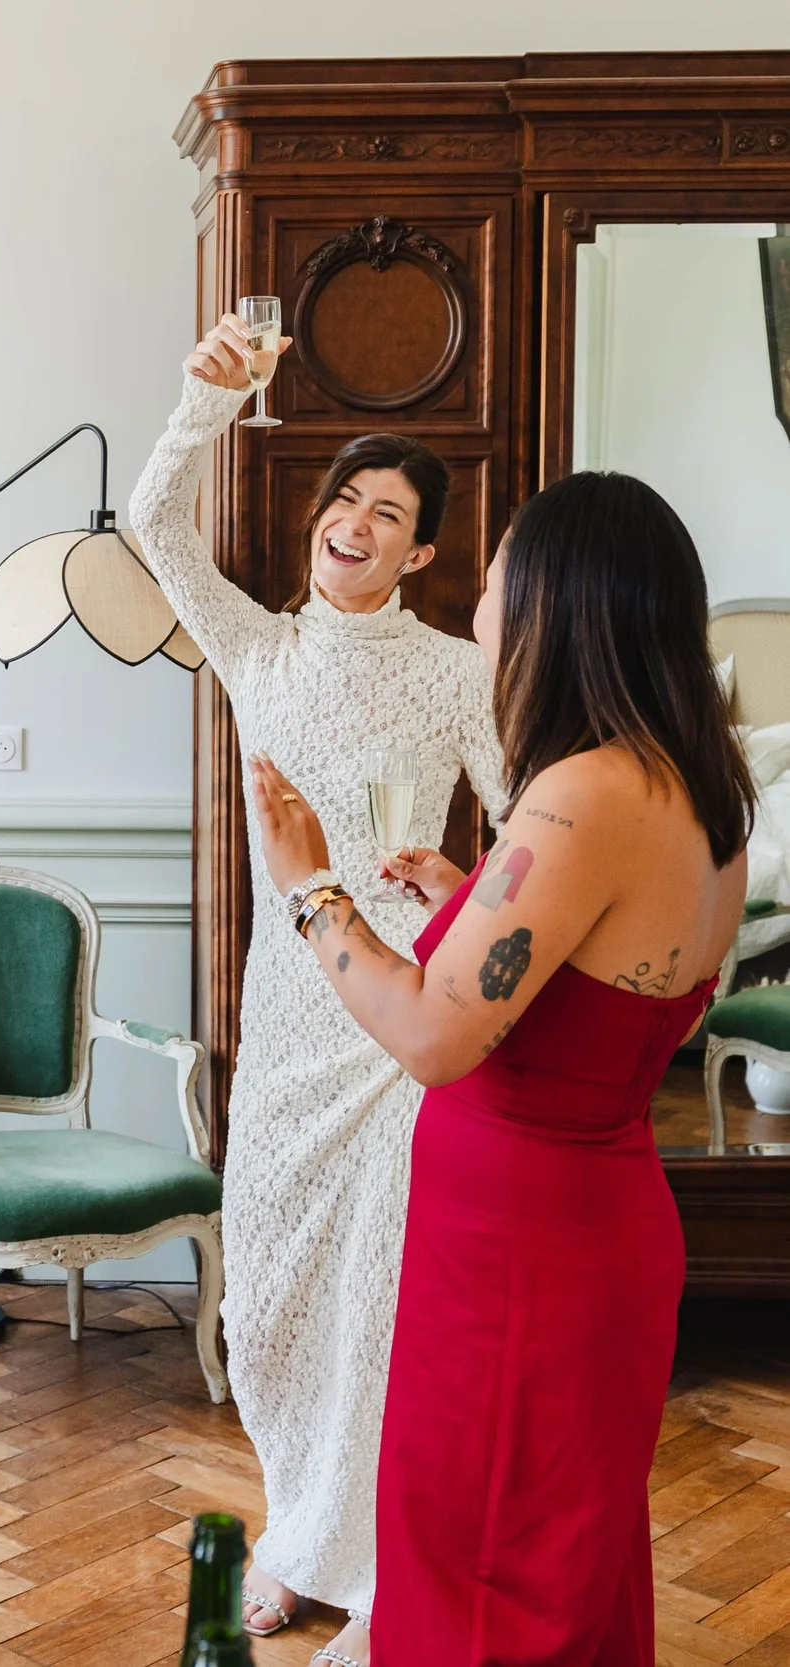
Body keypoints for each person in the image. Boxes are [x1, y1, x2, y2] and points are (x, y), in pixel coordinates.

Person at [249, 469, 752, 1664]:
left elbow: (429, 1034)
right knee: (554, 1566)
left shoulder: (577, 795)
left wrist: (310, 885)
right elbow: (642, 1003)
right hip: (598, 1228)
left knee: (480, 1572)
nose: (480, 609)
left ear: (559, 606)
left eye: (494, 583)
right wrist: (470, 898)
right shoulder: (704, 791)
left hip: (515, 1265)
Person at [125, 313, 508, 1662]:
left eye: (385, 510)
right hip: (286, 1012)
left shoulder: (464, 672)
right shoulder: (258, 647)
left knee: (387, 1296)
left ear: (422, 552)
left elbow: (526, 837)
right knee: (275, 1292)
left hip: (402, 1010)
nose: (353, 519)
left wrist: (458, 871)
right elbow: (153, 520)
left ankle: (384, 1550)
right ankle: (298, 1531)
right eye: (345, 497)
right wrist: (204, 397)